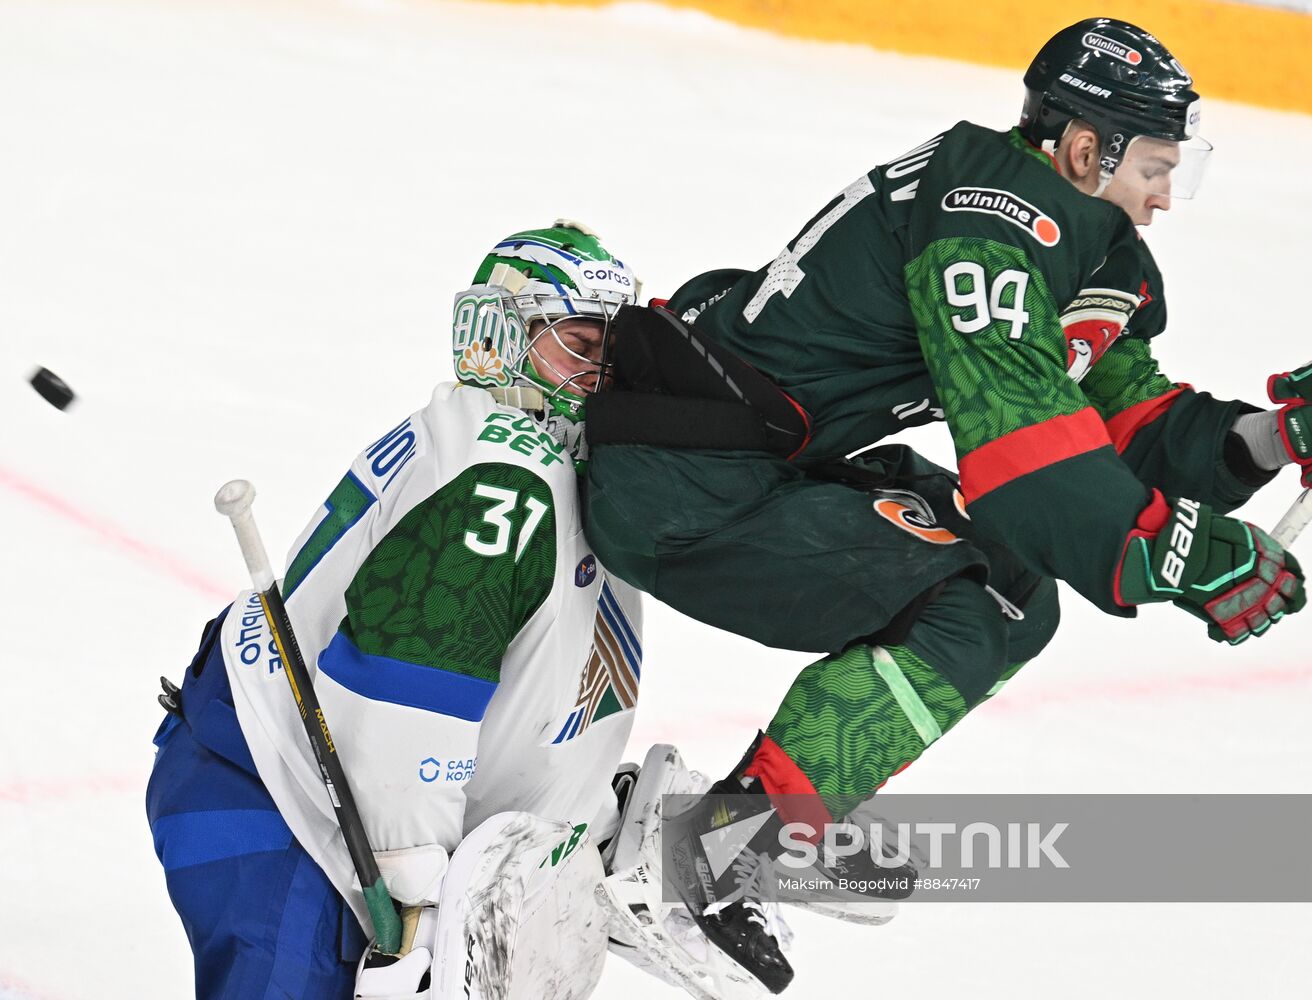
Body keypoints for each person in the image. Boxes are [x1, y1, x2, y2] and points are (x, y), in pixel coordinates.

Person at [583, 18, 1310, 994]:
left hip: (753, 457)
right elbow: (1026, 457)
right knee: (989, 595)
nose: (1166, 197)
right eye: (1155, 165)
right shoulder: (991, 216)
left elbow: (1132, 425)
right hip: (685, 485)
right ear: (1085, 149)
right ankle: (702, 869)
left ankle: (753, 820)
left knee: (1006, 576)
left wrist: (1272, 439)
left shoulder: (1071, 234)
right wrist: (1187, 557)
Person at [146, 222, 652, 999]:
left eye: (609, 351)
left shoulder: (553, 462)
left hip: (344, 811)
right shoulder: (502, 477)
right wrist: (414, 893)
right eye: (577, 341)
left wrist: (579, 817)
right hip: (284, 807)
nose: (596, 372)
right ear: (497, 338)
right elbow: (401, 689)